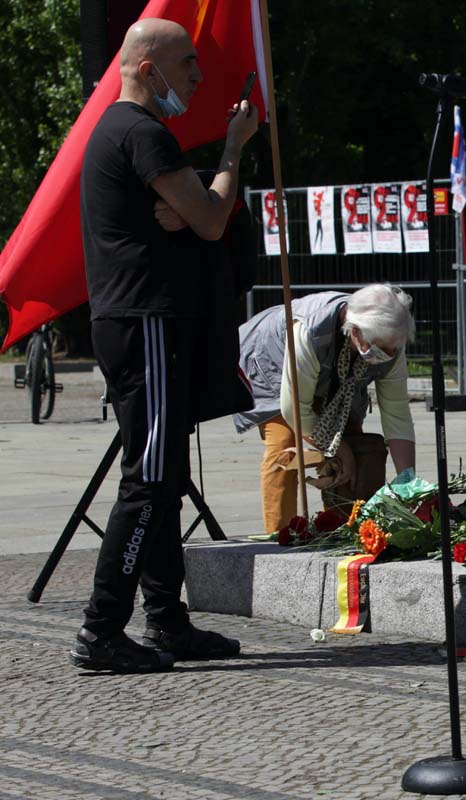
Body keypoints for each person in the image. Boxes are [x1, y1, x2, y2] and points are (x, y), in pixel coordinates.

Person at [72, 18, 259, 672]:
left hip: (139, 319)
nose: (198, 78)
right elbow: (210, 219)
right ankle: (101, 628)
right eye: (187, 65)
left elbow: (191, 213)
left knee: (166, 477)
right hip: (143, 320)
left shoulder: (123, 132)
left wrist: (190, 202)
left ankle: (166, 620)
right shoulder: (141, 132)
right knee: (150, 480)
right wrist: (232, 149)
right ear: (149, 70)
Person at [234, 286, 417, 535]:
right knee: (284, 444)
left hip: (335, 374)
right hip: (269, 361)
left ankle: (345, 530)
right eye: (378, 348)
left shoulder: (391, 338)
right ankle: (280, 534)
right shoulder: (309, 330)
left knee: (356, 443)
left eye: (392, 349)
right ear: (354, 331)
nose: (387, 355)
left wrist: (409, 481)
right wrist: (336, 448)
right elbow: (295, 410)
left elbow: (397, 414)